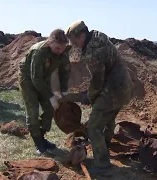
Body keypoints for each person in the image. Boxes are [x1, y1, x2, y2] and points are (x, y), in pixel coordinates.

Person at [65, 20, 133, 175]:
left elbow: (97, 81)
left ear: (82, 36)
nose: (74, 44)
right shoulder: (98, 36)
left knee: (94, 127)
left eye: (75, 41)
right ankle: (105, 146)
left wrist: (90, 96)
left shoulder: (92, 53)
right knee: (108, 118)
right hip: (124, 86)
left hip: (113, 90)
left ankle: (102, 165)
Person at [18, 29, 71, 155]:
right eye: (57, 48)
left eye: (62, 48)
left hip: (43, 79)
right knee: (33, 111)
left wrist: (64, 91)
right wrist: (50, 95)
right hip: (28, 80)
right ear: (50, 42)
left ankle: (41, 137)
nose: (60, 51)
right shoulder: (39, 52)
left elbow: (65, 72)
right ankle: (38, 143)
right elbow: (35, 78)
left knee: (50, 109)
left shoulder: (63, 52)